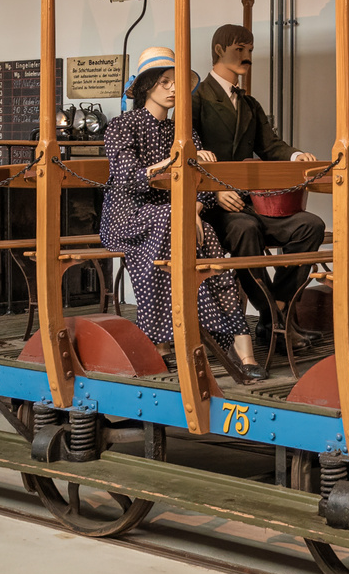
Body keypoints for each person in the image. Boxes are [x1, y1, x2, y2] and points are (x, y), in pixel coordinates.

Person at [99, 46, 266, 380]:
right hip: (128, 216)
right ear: (147, 87)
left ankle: (240, 342)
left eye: (177, 82)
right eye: (165, 81)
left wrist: (193, 207)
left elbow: (203, 183)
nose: (174, 89)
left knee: (212, 245)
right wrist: (171, 166)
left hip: (176, 216)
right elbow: (129, 179)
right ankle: (164, 338)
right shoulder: (122, 126)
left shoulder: (184, 132)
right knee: (171, 225)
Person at [192, 23, 325, 350]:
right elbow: (185, 154)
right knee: (245, 229)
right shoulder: (195, 101)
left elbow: (270, 146)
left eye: (250, 50)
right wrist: (213, 191)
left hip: (251, 202)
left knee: (310, 225)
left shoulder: (249, 105)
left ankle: (274, 315)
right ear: (220, 51)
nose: (247, 57)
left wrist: (295, 156)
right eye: (240, 49)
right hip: (212, 209)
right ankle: (276, 320)